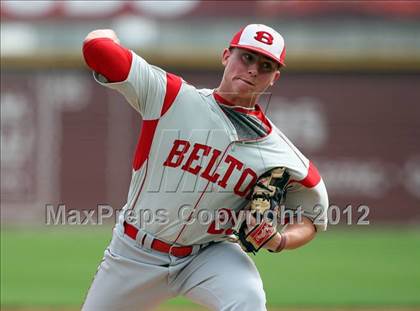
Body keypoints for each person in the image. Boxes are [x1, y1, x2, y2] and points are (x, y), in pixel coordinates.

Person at [81, 24, 328, 311]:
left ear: (274, 77)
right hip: (134, 253)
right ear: (226, 55)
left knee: (248, 297)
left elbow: (313, 215)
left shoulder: (279, 152)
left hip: (207, 255)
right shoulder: (171, 97)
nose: (252, 70)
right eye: (246, 57)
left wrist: (280, 240)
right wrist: (108, 35)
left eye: (265, 65)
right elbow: (96, 49)